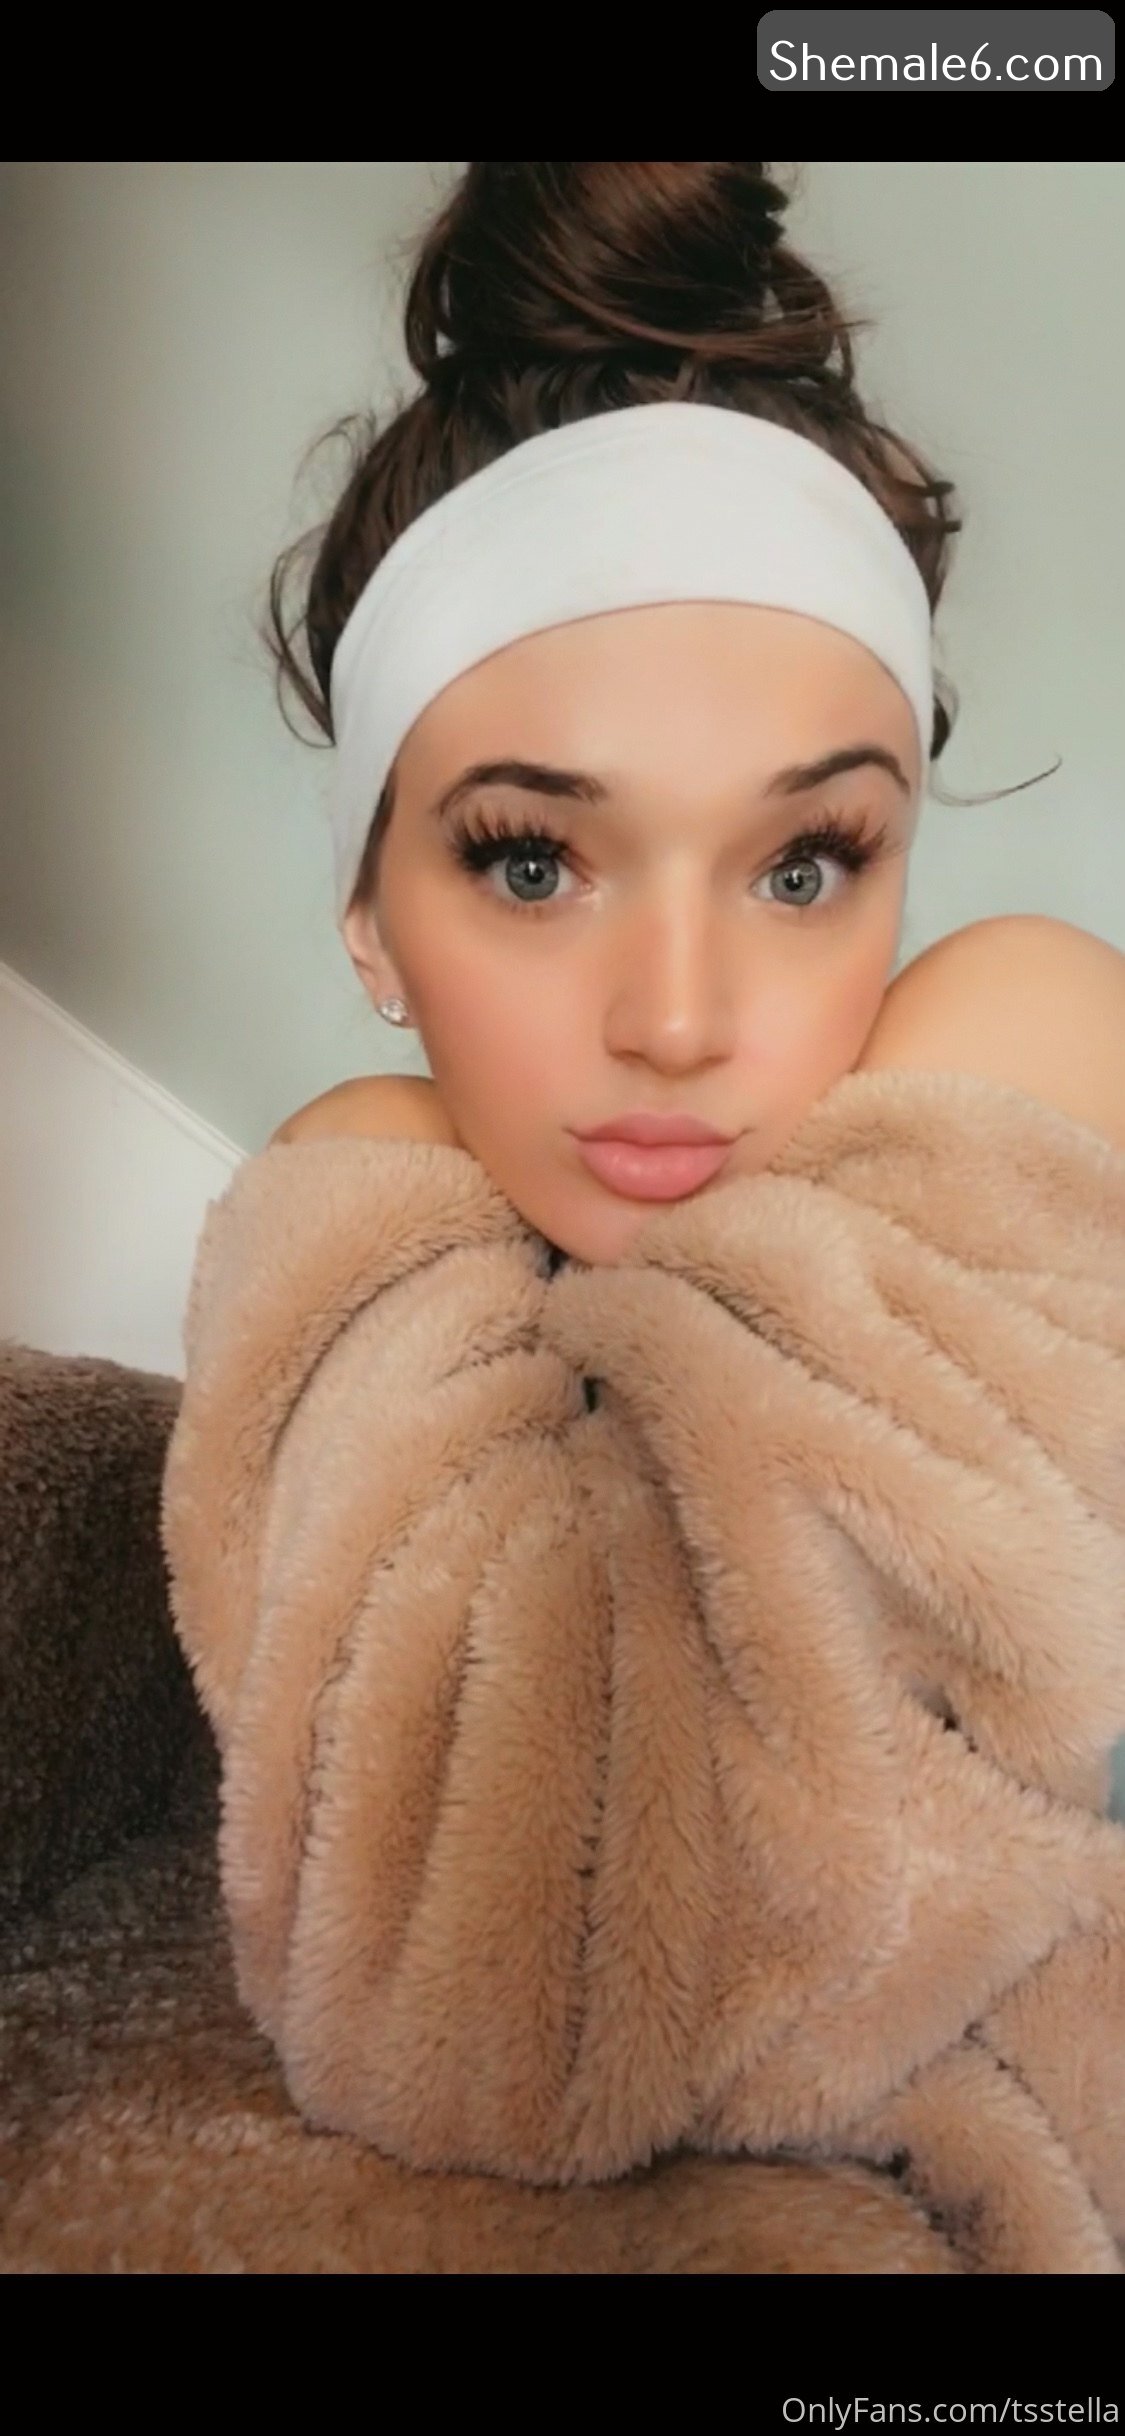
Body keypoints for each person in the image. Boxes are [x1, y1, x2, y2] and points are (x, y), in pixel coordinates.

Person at [265, 162, 1125, 1264]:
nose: (675, 1030)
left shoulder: (1020, 1140)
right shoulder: (327, 1272)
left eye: (800, 872)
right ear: (371, 922)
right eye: (531, 868)